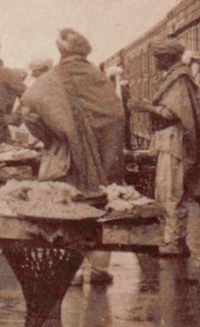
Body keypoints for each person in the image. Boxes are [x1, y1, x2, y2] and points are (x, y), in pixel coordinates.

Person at [20, 28, 127, 285]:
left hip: (65, 159)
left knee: (67, 210)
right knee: (99, 207)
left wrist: (53, 137)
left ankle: (74, 270)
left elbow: (30, 111)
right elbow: (116, 116)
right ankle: (100, 268)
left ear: (61, 51)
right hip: (103, 158)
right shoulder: (98, 77)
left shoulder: (51, 78)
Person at [135, 37, 200, 257]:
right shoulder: (177, 77)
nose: (155, 62)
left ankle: (173, 241)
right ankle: (178, 239)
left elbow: (171, 113)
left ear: (167, 57)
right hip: (170, 140)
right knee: (173, 190)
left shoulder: (179, 79)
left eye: (157, 57)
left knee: (169, 190)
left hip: (173, 141)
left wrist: (145, 107)